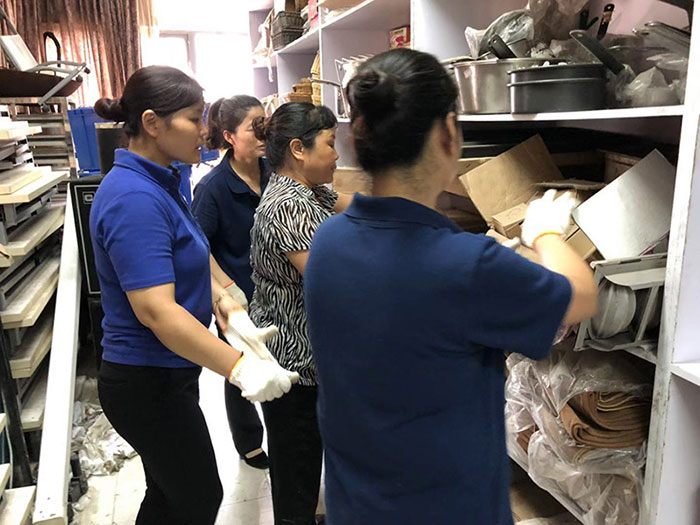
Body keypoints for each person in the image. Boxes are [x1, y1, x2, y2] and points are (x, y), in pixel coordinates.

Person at [304, 48, 598, 524]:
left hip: (356, 506)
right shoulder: (466, 265)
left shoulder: (328, 242)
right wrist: (545, 232)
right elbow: (581, 296)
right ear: (447, 132)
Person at [90, 66, 298, 525]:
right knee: (198, 496)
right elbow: (157, 312)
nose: (205, 130)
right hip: (145, 380)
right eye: (193, 118)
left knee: (170, 495)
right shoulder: (133, 198)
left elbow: (193, 250)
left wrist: (225, 298)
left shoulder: (164, 179)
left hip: (168, 374)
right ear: (152, 123)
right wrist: (238, 367)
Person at [248, 102, 350, 525]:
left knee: (303, 461)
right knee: (297, 468)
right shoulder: (288, 206)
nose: (337, 155)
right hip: (294, 363)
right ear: (298, 149)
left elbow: (354, 203)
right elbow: (331, 282)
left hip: (306, 357)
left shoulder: (308, 190)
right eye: (330, 144)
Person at [192, 95, 272, 470]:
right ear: (229, 136)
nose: (263, 134)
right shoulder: (213, 188)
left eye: (265, 124)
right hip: (235, 296)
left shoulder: (275, 173)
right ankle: (248, 441)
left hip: (277, 292)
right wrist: (226, 291)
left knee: (279, 363)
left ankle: (284, 431)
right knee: (241, 368)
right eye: (254, 128)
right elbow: (198, 248)